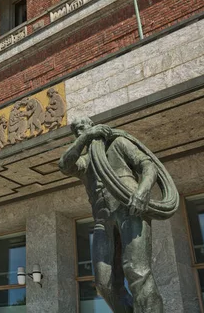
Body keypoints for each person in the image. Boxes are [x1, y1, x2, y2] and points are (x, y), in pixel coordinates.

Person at [59, 117, 165, 313]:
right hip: (102, 219)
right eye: (77, 130)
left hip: (129, 209)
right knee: (103, 282)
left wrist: (142, 191)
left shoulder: (118, 142)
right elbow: (64, 165)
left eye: (84, 127)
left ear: (93, 126)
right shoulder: (84, 162)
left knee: (137, 271)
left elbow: (148, 165)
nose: (81, 130)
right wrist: (85, 139)